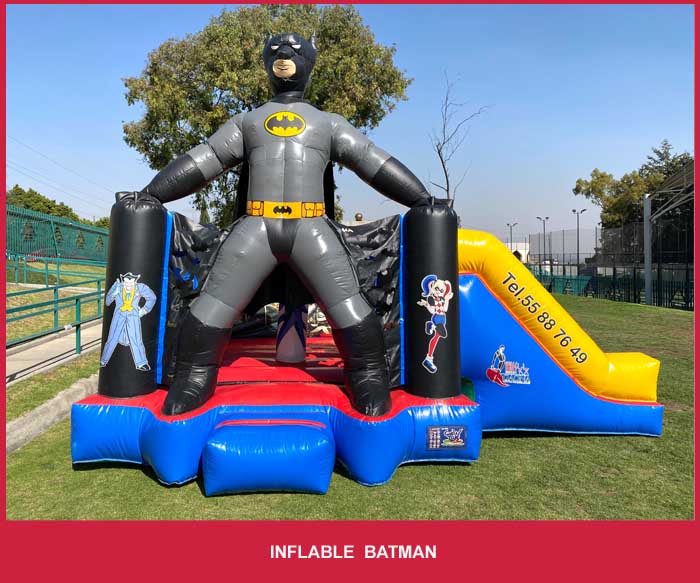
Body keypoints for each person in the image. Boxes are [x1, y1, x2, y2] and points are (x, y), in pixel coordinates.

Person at [143, 33, 433, 417]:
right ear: (266, 61)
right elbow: (207, 159)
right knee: (214, 303)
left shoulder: (326, 124)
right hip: (257, 224)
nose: (284, 54)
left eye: (295, 50)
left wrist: (420, 198)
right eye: (277, 50)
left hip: (310, 224)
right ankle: (193, 377)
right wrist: (151, 194)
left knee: (348, 304)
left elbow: (370, 160)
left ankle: (368, 376)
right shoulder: (248, 122)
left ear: (309, 61)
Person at [100, 272, 156, 371]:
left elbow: (152, 297)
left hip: (133, 316)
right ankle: (104, 360)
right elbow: (107, 302)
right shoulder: (117, 286)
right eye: (126, 282)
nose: (128, 285)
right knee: (112, 338)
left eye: (131, 283)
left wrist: (144, 310)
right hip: (119, 315)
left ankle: (141, 363)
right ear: (123, 281)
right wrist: (114, 293)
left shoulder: (140, 287)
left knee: (136, 338)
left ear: (135, 281)